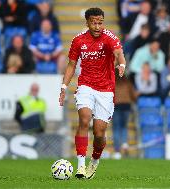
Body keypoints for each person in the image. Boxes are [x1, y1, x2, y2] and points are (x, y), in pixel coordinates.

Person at [58, 7, 126, 179]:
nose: (97, 26)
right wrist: (63, 88)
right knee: (84, 119)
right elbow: (71, 65)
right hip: (86, 86)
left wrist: (122, 64)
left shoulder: (109, 37)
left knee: (99, 133)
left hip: (105, 89)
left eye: (100, 22)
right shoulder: (78, 41)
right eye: (94, 23)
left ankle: (94, 160)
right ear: (87, 22)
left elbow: (119, 53)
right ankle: (80, 166)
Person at [112, 69, 136, 160]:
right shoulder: (127, 83)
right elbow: (133, 95)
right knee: (124, 126)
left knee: (116, 128)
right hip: (127, 105)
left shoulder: (112, 82)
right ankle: (125, 144)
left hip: (116, 105)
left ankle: (117, 151)